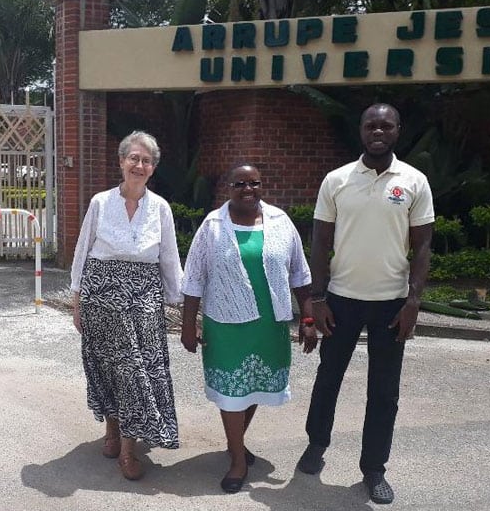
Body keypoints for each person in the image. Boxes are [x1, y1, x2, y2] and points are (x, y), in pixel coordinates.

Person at [296, 103, 435, 505]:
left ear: (397, 130)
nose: (378, 130)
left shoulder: (414, 181)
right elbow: (320, 241)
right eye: (371, 124)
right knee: (329, 377)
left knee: (384, 391)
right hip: (341, 299)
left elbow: (423, 245)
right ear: (361, 130)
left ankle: (374, 469)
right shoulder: (337, 180)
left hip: (391, 304)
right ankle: (316, 443)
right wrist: (317, 298)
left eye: (386, 125)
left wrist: (413, 301)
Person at [180, 164, 316, 494]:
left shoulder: (281, 222)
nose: (248, 189)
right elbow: (194, 278)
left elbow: (300, 274)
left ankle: (235, 442)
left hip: (270, 324)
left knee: (254, 387)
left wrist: (308, 320)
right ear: (228, 188)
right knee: (231, 393)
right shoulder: (212, 226)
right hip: (226, 324)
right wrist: (188, 325)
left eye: (254, 183)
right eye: (240, 183)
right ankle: (238, 460)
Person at [70, 131, 183, 481]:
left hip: (142, 300)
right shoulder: (101, 202)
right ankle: (112, 430)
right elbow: (82, 248)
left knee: (137, 372)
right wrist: (77, 299)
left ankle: (129, 450)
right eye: (133, 158)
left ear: (152, 168)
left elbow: (169, 258)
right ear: (121, 162)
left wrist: (182, 305)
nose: (139, 164)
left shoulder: (161, 207)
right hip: (101, 297)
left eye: (146, 160)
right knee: (107, 368)